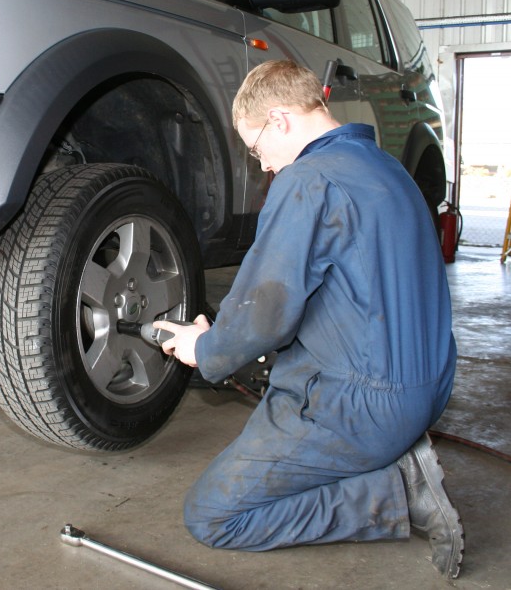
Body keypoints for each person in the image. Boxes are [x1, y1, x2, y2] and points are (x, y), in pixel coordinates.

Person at [154, 59, 463, 579]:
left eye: (256, 149)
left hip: (360, 404)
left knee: (212, 515)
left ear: (280, 120)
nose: (264, 166)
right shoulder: (390, 170)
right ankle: (389, 458)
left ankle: (395, 493)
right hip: (428, 387)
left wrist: (203, 348)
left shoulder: (307, 181)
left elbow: (267, 309)